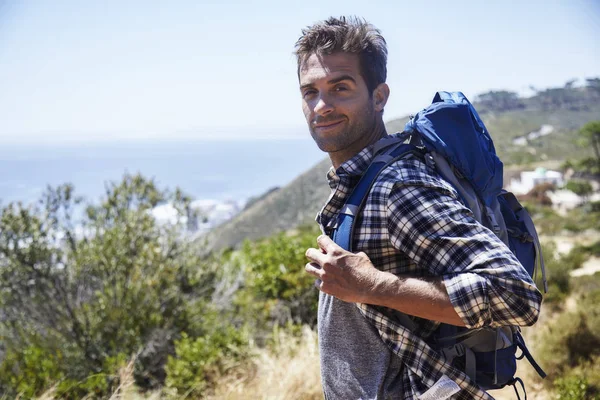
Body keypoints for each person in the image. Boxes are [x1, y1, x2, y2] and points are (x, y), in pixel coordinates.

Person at [295, 16, 543, 399]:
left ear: (379, 96)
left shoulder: (398, 186)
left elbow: (514, 294)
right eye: (310, 92)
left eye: (340, 88)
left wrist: (372, 285)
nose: (321, 105)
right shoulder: (359, 181)